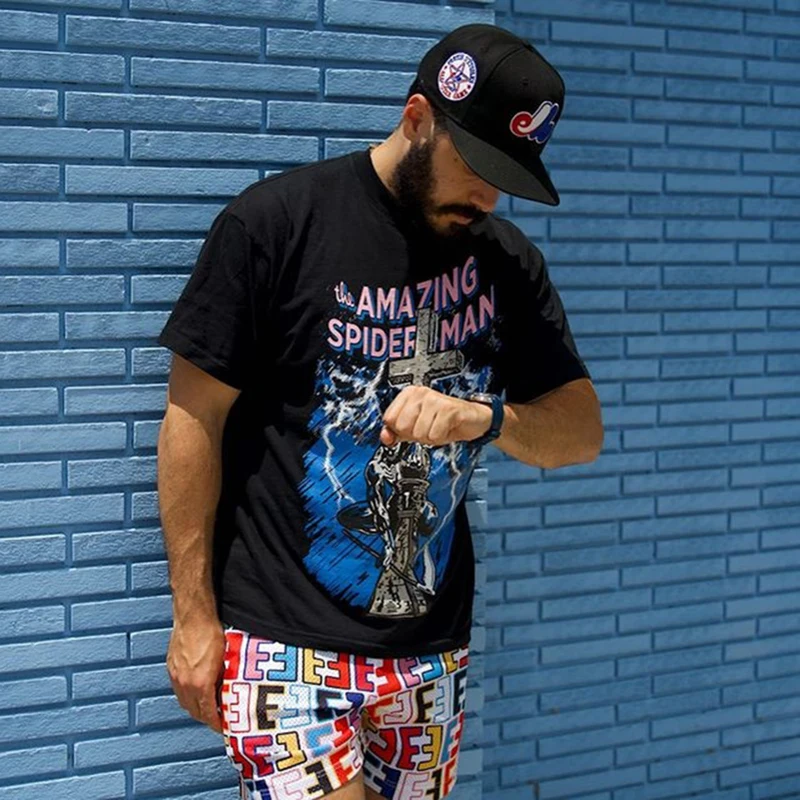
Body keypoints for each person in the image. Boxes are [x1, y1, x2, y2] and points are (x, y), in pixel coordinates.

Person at [156, 22, 603, 800]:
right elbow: (192, 422)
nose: (489, 197)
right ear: (418, 118)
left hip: (430, 652)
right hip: (285, 642)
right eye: (478, 167)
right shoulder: (275, 227)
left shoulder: (504, 263)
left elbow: (581, 432)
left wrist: (485, 418)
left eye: (509, 176)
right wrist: (193, 617)